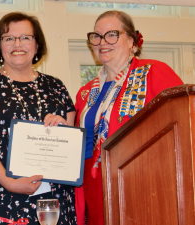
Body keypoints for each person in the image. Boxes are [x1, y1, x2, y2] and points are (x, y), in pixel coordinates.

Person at [0, 12, 77, 224]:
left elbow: (72, 149)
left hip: (56, 199)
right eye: (9, 38)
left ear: (37, 44)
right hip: (5, 195)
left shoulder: (56, 86)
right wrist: (9, 182)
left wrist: (63, 129)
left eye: (25, 37)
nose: (18, 44)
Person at [74, 10, 184, 225]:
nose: (102, 42)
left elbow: (183, 123)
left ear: (132, 41)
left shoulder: (154, 72)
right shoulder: (86, 93)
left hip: (143, 183)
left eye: (112, 34)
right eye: (96, 36)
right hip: (94, 187)